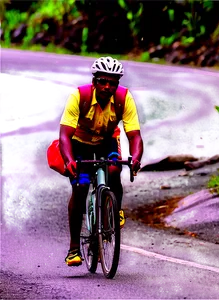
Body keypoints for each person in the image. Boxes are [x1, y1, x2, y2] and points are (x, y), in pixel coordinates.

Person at [59, 56, 144, 266]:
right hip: (80, 143)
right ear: (94, 81)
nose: (108, 87)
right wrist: (69, 160)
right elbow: (64, 136)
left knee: (115, 171)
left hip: (107, 141)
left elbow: (135, 136)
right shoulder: (79, 96)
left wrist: (135, 159)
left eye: (113, 83)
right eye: (103, 81)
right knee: (81, 187)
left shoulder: (124, 98)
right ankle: (73, 248)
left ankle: (115, 210)